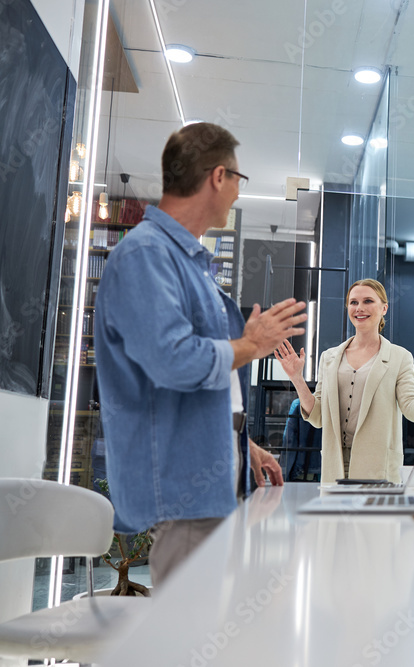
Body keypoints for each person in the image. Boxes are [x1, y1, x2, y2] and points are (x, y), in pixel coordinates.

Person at [94, 122, 307, 584]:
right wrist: (252, 344)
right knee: (190, 641)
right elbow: (174, 360)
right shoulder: (146, 256)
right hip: (183, 488)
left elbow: (202, 381)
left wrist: (241, 443)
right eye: (237, 181)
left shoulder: (185, 262)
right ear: (217, 176)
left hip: (209, 476)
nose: (236, 194)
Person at [276, 279, 414, 483]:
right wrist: (296, 378)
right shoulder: (329, 357)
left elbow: (411, 409)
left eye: (368, 301)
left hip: (377, 467)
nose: (359, 308)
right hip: (333, 466)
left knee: (373, 516)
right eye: (353, 302)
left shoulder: (400, 357)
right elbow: (317, 416)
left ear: (384, 308)